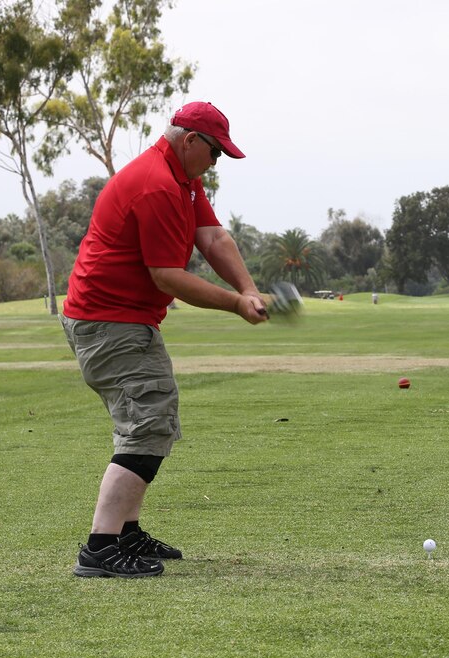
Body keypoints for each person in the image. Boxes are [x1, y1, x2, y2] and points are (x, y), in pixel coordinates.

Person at [60, 102, 267, 578]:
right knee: (147, 424)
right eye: (215, 153)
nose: (216, 164)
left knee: (152, 417)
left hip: (122, 319)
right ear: (189, 140)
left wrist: (248, 289)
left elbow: (213, 238)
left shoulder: (183, 180)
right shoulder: (155, 184)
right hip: (109, 321)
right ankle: (100, 547)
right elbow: (167, 277)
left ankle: (127, 535)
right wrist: (236, 305)